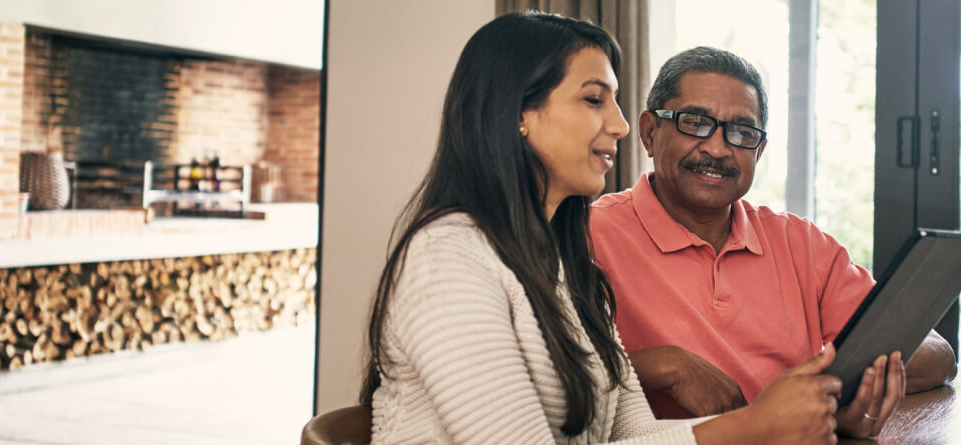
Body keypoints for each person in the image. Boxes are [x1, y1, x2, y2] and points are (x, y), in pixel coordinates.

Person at [360, 12, 851, 445]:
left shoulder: (561, 262)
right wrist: (753, 429)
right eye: (595, 100)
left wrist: (767, 420)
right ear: (519, 115)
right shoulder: (447, 258)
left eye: (614, 102)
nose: (618, 125)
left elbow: (630, 431)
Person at [588, 46, 958, 438]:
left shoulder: (802, 244)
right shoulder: (585, 235)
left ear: (759, 150)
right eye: (695, 122)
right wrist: (664, 366)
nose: (717, 148)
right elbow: (542, 379)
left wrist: (823, 396)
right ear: (649, 132)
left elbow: (935, 353)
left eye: (742, 133)